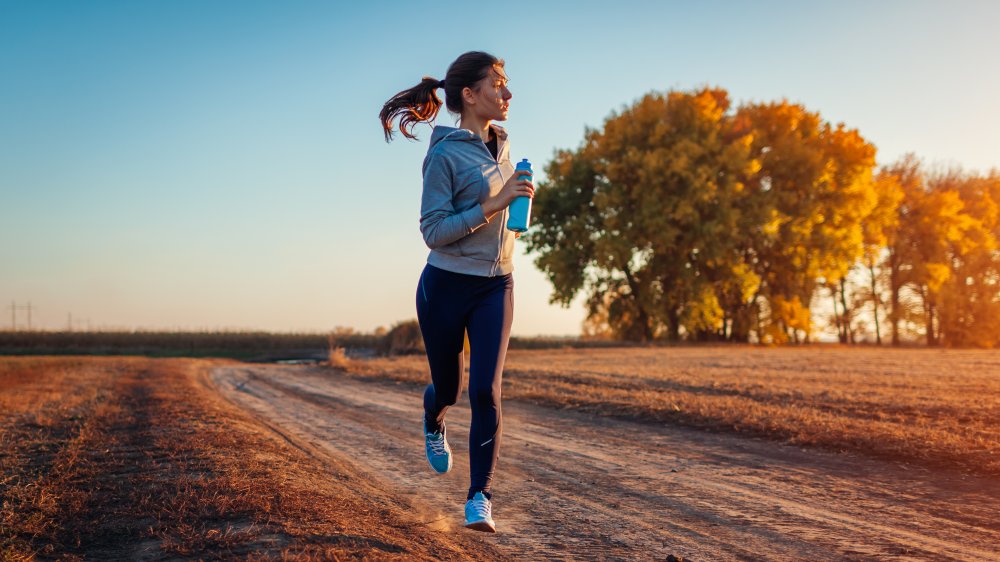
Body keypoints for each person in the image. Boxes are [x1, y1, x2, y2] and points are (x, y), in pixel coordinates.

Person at [379, 51, 533, 533]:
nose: (507, 93)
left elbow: (498, 213)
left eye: (507, 85)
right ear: (469, 94)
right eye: (498, 84)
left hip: (496, 285)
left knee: (486, 390)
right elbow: (433, 231)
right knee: (450, 387)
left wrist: (517, 203)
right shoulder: (443, 154)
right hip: (445, 285)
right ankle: (433, 418)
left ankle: (479, 498)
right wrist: (496, 202)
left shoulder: (503, 145)